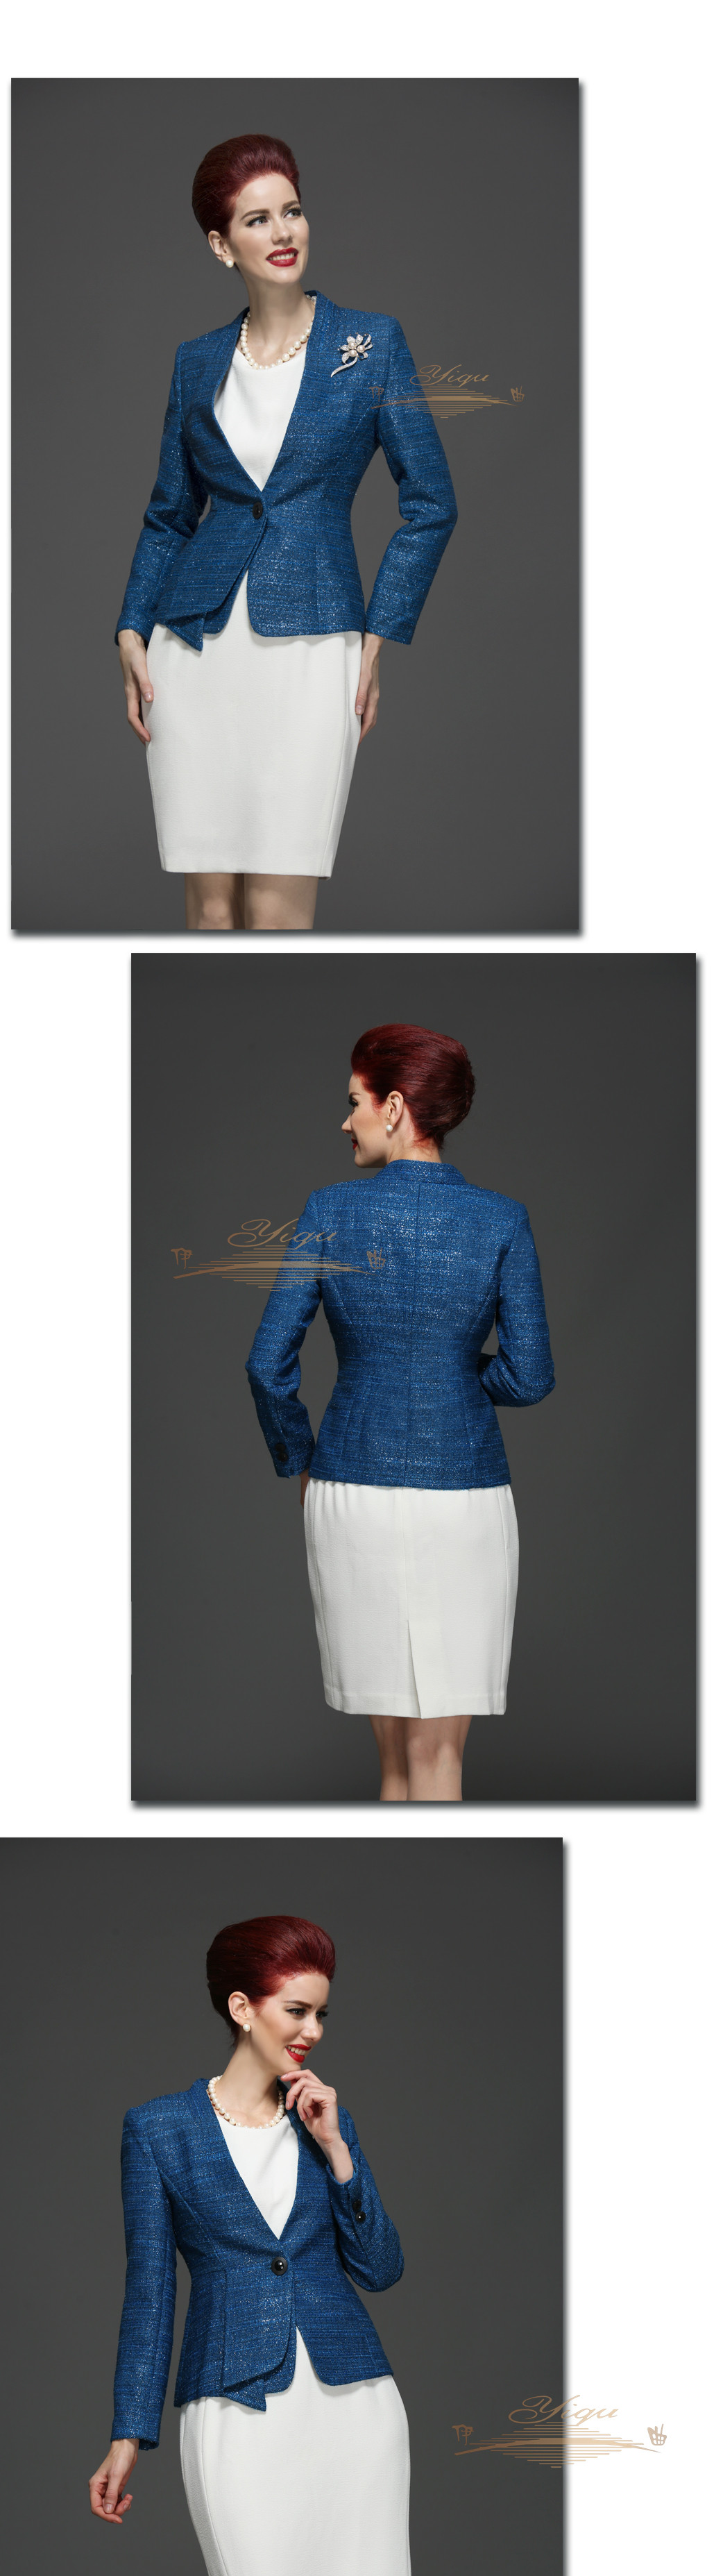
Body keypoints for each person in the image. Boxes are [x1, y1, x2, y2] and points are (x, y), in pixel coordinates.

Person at [116, 131, 457, 931]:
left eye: (292, 211)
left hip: (312, 646)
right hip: (191, 650)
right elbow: (169, 514)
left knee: (276, 912)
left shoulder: (370, 344)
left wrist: (379, 633)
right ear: (220, 244)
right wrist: (131, 627)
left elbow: (431, 501)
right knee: (209, 911)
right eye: (257, 219)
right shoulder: (196, 361)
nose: (283, 232)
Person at [89, 1916, 414, 2576]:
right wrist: (129, 2433)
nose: (313, 2030)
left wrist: (337, 2151)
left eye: (321, 2013)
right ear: (242, 2007)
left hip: (352, 2403)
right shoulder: (159, 2129)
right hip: (238, 2405)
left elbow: (381, 2269)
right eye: (296, 2010)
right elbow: (149, 2291)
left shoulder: (327, 2120)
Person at [246, 1023, 555, 1801]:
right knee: (441, 1759)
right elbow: (530, 1376)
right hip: (465, 1492)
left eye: (353, 1102)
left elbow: (266, 1363)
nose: (344, 1121)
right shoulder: (501, 1218)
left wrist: (298, 1458)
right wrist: (449, 1373)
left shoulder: (328, 1209)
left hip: (350, 1486)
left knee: (390, 1763)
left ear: (393, 1106)